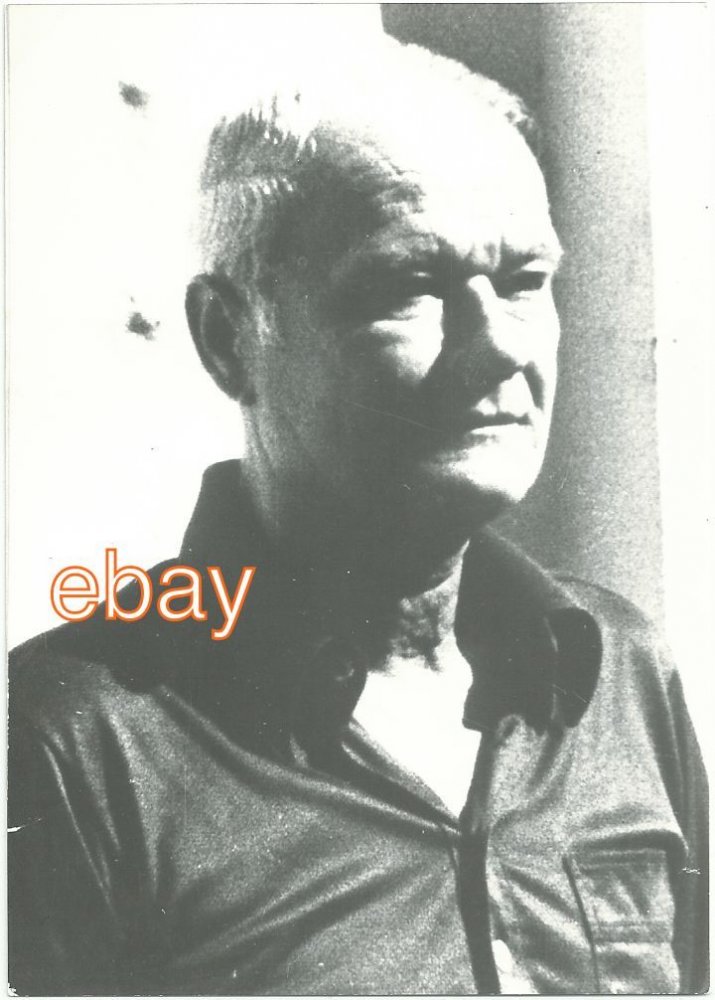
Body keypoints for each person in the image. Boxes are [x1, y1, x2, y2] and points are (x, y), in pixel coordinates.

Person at [8, 38, 707, 996]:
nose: (501, 346)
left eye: (524, 281)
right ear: (227, 338)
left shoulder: (610, 669)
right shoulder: (74, 740)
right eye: (408, 287)